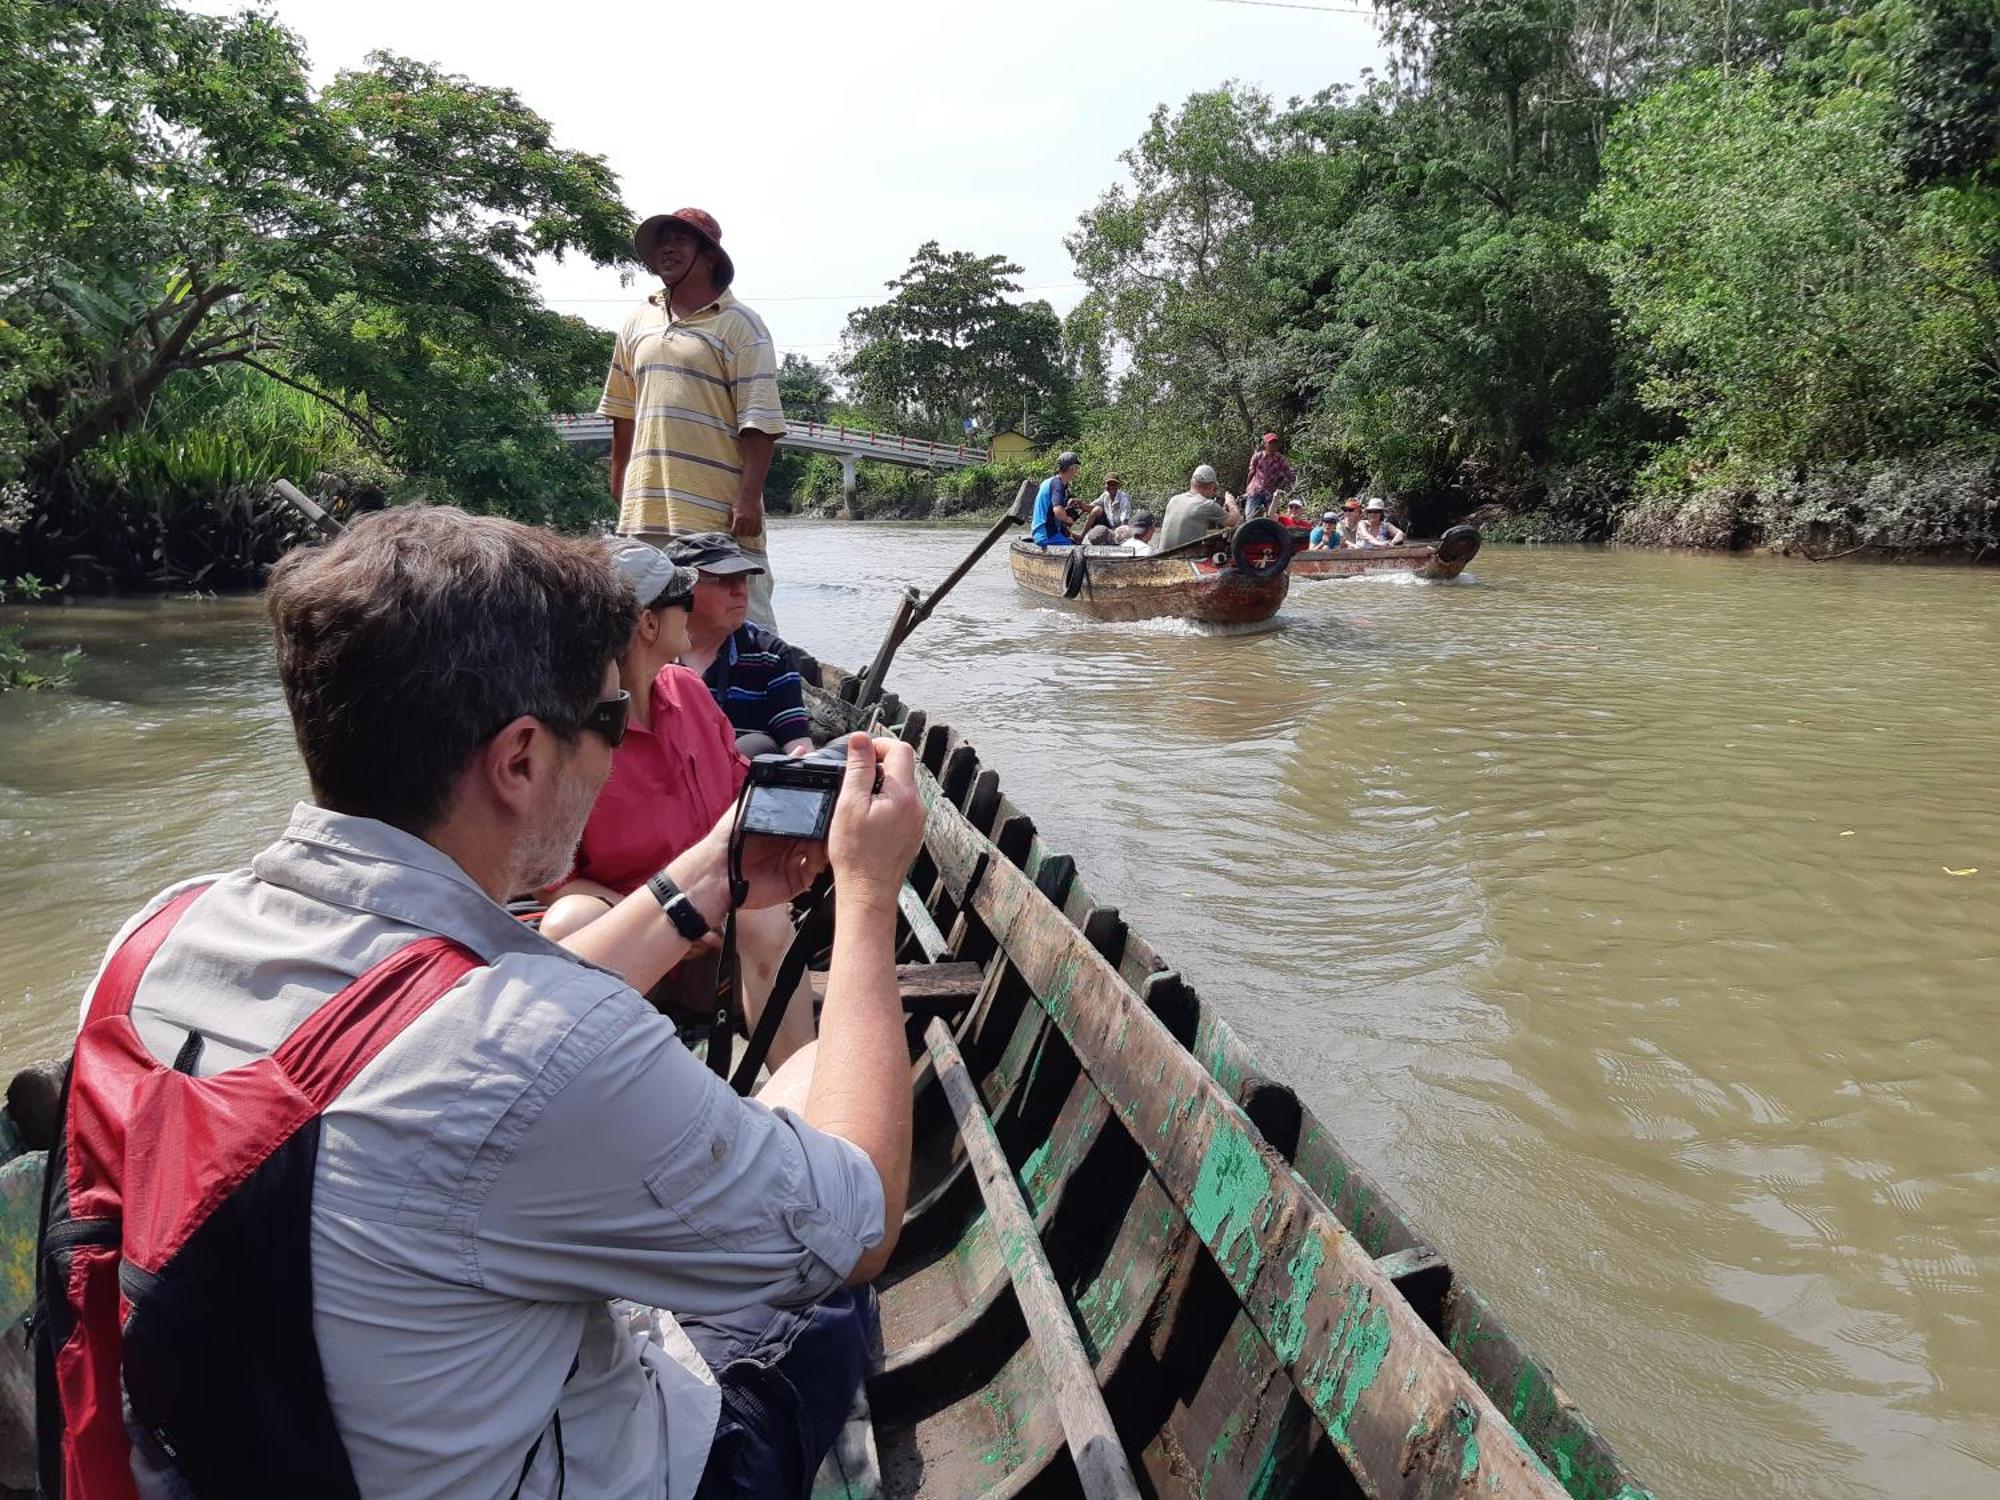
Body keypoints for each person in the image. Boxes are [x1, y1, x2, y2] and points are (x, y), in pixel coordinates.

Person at [47, 505, 925, 1498]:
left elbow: (429, 1025)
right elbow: (861, 1224)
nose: (614, 747)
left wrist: (711, 879)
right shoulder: (542, 1045)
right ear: (516, 759)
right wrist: (863, 896)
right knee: (822, 1247)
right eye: (604, 719)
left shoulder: (150, 944)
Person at [540, 536, 817, 1070]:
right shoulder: (572, 732)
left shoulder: (689, 693)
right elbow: (553, 879)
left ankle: (802, 1094)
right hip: (627, 936)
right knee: (567, 923)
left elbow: (742, 798)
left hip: (721, 935)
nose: (690, 609)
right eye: (681, 600)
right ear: (647, 624)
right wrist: (670, 911)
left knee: (765, 916)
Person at [600, 207, 787, 630]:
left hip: (716, 511)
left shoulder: (740, 325)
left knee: (743, 625)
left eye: (680, 241)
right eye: (661, 242)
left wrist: (747, 498)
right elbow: (621, 411)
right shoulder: (637, 323)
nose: (666, 249)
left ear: (709, 256)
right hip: (645, 509)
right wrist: (620, 480)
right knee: (647, 629)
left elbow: (759, 420)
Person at [669, 532, 812, 759]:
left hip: (738, 788)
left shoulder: (770, 656)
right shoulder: (648, 653)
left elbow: (798, 746)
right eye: (725, 580)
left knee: (758, 745)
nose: (741, 591)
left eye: (743, 579)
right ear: (684, 588)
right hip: (663, 783)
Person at [1155, 464, 1243, 553]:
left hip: (1161, 555)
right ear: (1210, 486)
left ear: (1191, 482)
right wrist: (1231, 502)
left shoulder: (1174, 500)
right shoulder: (1207, 505)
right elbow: (1235, 520)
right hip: (1183, 559)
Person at [1031, 452, 1082, 546]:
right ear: (1072, 468)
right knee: (1075, 550)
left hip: (1039, 533)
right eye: (1076, 468)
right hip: (1046, 535)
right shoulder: (1057, 485)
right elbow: (1058, 511)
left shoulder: (1049, 482)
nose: (1077, 472)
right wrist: (1067, 518)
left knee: (1073, 541)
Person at [1243, 431, 1294, 520]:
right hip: (1255, 490)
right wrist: (1247, 487)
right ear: (1265, 444)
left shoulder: (1280, 459)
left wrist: (1284, 484)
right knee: (1250, 516)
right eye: (1270, 443)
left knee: (1274, 518)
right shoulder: (1257, 457)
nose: (1273, 446)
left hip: (1270, 492)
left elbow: (1288, 473)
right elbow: (1251, 472)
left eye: (1275, 443)